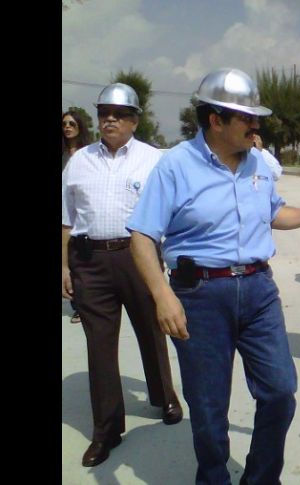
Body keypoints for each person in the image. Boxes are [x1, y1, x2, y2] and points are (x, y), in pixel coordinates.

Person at [126, 68, 300, 485]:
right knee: (209, 405)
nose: (256, 126)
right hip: (198, 295)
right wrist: (162, 295)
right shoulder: (175, 165)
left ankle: (261, 477)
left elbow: (272, 212)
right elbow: (142, 235)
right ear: (216, 120)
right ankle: (214, 477)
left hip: (257, 290)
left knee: (280, 391)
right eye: (247, 119)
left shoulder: (259, 163)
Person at [61, 83, 182, 468]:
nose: (110, 120)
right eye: (104, 113)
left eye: (119, 114)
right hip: (89, 261)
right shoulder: (79, 162)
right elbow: (66, 219)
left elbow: (171, 212)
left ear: (134, 120)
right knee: (99, 347)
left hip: (137, 257)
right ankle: (107, 430)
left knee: (151, 329)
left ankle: (164, 396)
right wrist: (64, 266)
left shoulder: (153, 160)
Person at [62, 109, 92, 324]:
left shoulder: (88, 153)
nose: (67, 127)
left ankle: (81, 305)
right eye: (64, 124)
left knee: (78, 258)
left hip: (78, 212)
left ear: (80, 127)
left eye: (72, 123)